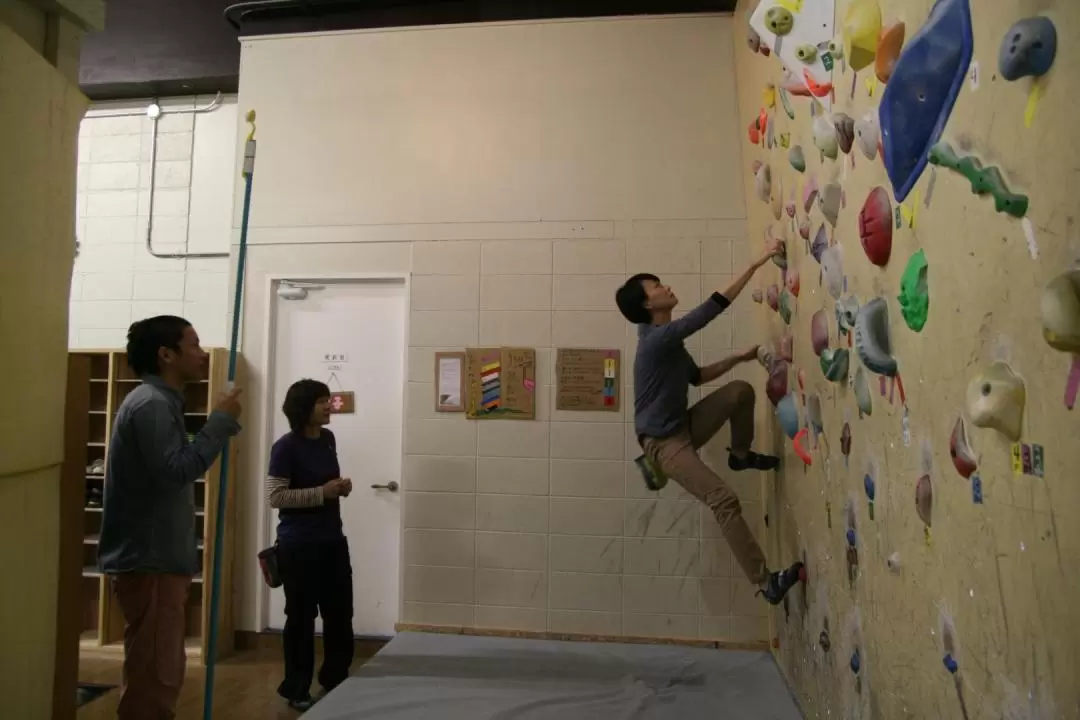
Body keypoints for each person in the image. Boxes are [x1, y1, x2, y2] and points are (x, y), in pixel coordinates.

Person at [616, 239, 803, 606]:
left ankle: (740, 454)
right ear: (647, 305)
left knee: (739, 392)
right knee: (723, 500)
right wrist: (757, 261)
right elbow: (712, 309)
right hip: (663, 446)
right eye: (657, 287)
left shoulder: (667, 344)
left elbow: (697, 378)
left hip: (681, 426)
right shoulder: (656, 341)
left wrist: (739, 357)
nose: (666, 287)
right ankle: (766, 583)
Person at [98, 316, 242, 720]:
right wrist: (218, 422)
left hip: (157, 560)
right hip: (150, 560)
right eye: (193, 345)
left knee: (159, 667)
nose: (200, 353)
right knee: (155, 676)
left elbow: (173, 465)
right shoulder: (151, 405)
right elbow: (177, 470)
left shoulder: (159, 404)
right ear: (166, 354)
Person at [267, 379, 355, 711]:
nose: (328, 406)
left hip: (333, 540)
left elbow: (325, 485)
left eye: (328, 400)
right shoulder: (285, 447)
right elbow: (275, 497)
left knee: (340, 613)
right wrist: (323, 492)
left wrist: (339, 487)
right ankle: (297, 688)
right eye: (321, 401)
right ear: (303, 407)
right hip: (299, 544)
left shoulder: (328, 440)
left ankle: (336, 679)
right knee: (302, 618)